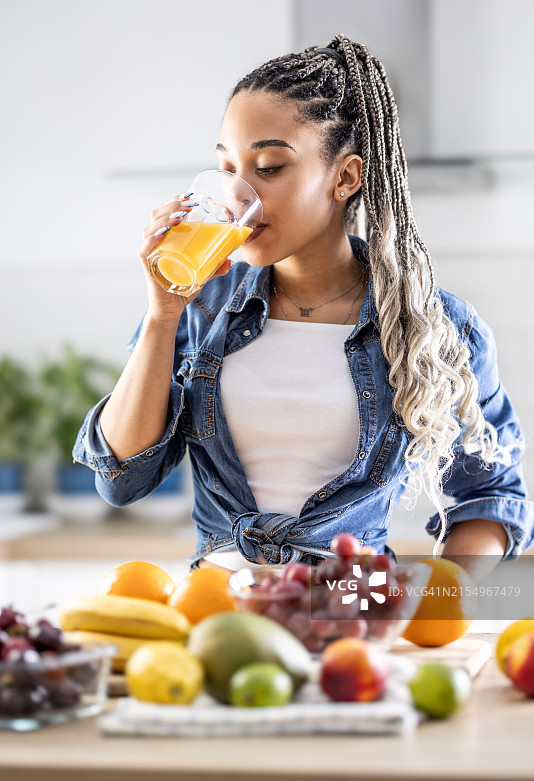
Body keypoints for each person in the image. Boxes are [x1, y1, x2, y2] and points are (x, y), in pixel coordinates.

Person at [73, 34, 533, 583]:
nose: (239, 195)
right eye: (228, 169)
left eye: (268, 166)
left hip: (357, 611)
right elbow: (122, 480)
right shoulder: (200, 306)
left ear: (345, 177)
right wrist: (162, 316)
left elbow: (491, 493)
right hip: (218, 611)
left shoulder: (436, 328)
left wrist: (436, 600)